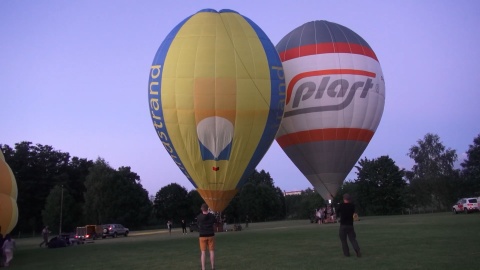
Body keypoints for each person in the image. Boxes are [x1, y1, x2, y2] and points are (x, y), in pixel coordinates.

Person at [336, 193, 361, 258]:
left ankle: (346, 253)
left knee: (343, 240)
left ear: (344, 199)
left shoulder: (341, 205)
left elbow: (337, 211)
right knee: (353, 239)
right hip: (350, 225)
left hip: (343, 225)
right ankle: (357, 249)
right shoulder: (352, 206)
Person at [197, 203, 216, 270]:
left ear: (202, 209)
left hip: (202, 235)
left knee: (203, 252)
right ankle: (213, 267)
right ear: (207, 208)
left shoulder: (199, 216)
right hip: (211, 234)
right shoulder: (211, 216)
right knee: (212, 251)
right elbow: (215, 222)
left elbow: (198, 224)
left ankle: (203, 268)